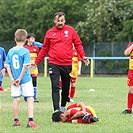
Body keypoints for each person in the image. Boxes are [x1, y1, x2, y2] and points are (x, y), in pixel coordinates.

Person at [30, 12, 90, 113]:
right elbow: (44, 49)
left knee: (66, 87)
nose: (60, 23)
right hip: (54, 63)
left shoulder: (70, 31)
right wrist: (36, 62)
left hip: (67, 63)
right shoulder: (49, 33)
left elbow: (78, 44)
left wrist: (83, 56)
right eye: (58, 21)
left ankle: (63, 106)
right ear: (54, 21)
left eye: (62, 21)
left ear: (65, 20)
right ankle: (56, 109)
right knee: (55, 86)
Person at [5, 29, 39, 128]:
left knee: (16, 99)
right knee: (30, 99)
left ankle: (16, 121)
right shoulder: (26, 51)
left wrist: (12, 78)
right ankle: (30, 121)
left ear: (15, 39)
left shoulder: (11, 51)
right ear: (25, 40)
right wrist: (20, 78)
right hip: (25, 79)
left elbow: (7, 66)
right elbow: (24, 66)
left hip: (14, 80)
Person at [24, 33, 42, 102]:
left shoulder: (36, 48)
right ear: (27, 39)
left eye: (34, 39)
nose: (33, 40)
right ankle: (26, 97)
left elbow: (41, 52)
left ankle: (34, 97)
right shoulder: (24, 48)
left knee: (34, 82)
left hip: (34, 68)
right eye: (31, 38)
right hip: (27, 68)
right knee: (27, 82)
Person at [122, 42, 133, 114]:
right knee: (131, 90)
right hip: (132, 71)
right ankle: (129, 109)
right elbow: (126, 53)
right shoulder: (131, 44)